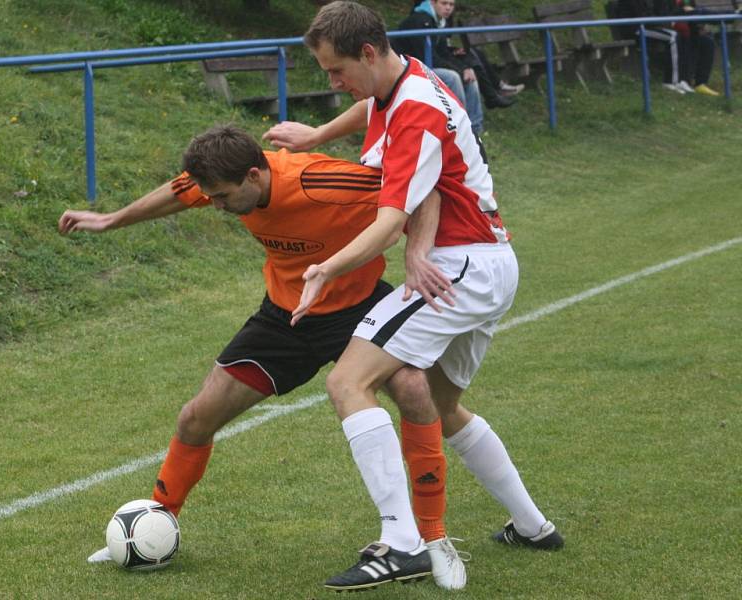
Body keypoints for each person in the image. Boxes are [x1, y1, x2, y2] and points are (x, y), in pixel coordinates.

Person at [58, 125, 469, 590]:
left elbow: (423, 186)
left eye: (222, 197)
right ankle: (155, 524)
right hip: (285, 318)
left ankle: (432, 539)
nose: (214, 204)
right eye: (210, 195)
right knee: (196, 417)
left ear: (254, 175)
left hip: (360, 308)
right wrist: (111, 220)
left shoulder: (323, 181)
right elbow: (180, 192)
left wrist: (416, 250)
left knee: (415, 390)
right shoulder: (224, 179)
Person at [264, 1, 562, 592]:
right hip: (488, 262)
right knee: (442, 406)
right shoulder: (403, 81)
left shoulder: (416, 112)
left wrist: (325, 268)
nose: (332, 83)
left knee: (348, 382)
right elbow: (372, 112)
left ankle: (402, 543)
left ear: (368, 53)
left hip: (460, 269)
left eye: (335, 69)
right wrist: (319, 134)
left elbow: (388, 219)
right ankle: (533, 526)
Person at [391, 0, 487, 135]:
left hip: (427, 64)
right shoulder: (420, 20)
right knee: (453, 77)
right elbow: (425, 57)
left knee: (470, 76)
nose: (448, 8)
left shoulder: (440, 22)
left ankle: (475, 128)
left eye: (451, 5)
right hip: (409, 67)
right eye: (444, 3)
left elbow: (444, 54)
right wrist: (459, 71)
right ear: (433, 3)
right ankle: (460, 126)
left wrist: (465, 68)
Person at [617, 0, 692, 93]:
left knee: (680, 35)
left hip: (645, 26)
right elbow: (643, 17)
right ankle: (669, 82)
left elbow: (651, 15)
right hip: (635, 30)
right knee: (672, 37)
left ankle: (681, 79)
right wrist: (667, 23)